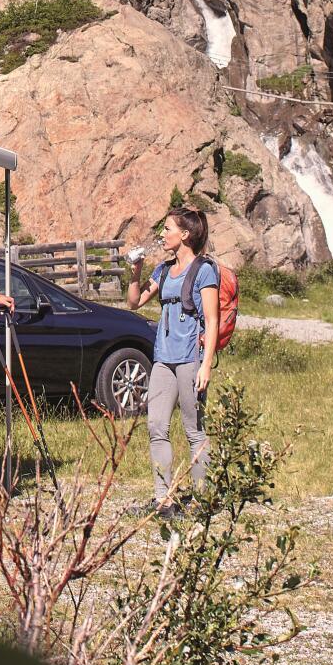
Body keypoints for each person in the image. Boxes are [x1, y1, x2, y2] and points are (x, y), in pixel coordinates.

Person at [125, 204, 222, 516]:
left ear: (185, 234)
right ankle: (162, 500)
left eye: (167, 229)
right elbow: (135, 302)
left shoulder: (204, 270)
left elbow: (212, 319)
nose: (162, 234)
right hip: (163, 360)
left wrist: (206, 365)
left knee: (194, 430)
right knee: (156, 426)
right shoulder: (163, 270)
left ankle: (202, 501)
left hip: (191, 359)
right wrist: (136, 271)